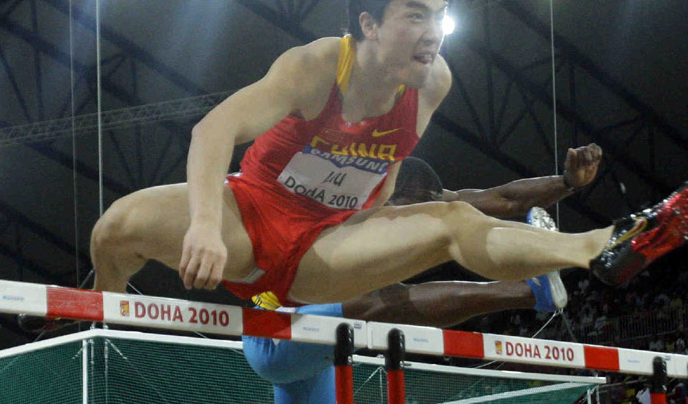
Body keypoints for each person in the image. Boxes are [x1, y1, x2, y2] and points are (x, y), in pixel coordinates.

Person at [84, 0, 688, 312]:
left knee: (454, 221)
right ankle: (104, 326)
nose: (434, 33)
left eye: (440, 16)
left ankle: (600, 246)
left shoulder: (433, 84)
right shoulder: (315, 67)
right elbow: (212, 132)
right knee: (112, 230)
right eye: (415, 15)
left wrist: (375, 226)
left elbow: (384, 171)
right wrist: (202, 226)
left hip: (324, 251)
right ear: (369, 24)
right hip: (245, 221)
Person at [242, 156, 575, 404]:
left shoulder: (419, 197)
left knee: (382, 294)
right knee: (381, 299)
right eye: (411, 215)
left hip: (310, 353)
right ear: (389, 198)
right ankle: (530, 290)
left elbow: (503, 198)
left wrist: (567, 181)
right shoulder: (345, 201)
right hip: (275, 333)